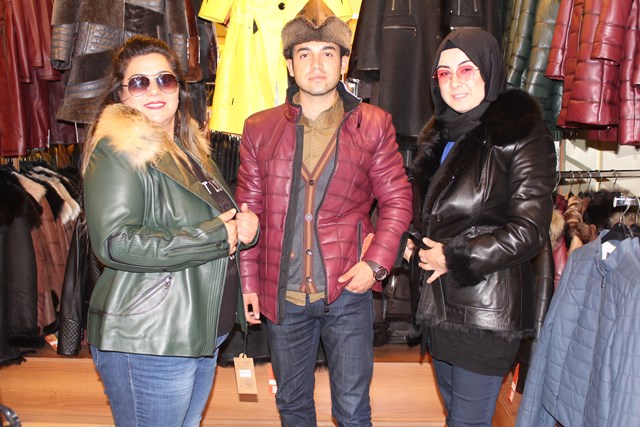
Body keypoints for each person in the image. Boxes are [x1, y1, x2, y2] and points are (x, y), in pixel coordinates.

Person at [235, 1, 413, 425]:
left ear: (343, 62)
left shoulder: (373, 124)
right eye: (305, 54)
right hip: (283, 293)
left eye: (327, 53)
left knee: (352, 410)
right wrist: (248, 283)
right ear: (290, 65)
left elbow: (397, 199)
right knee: (292, 406)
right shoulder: (259, 128)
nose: (316, 65)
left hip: (347, 291)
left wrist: (376, 263)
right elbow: (249, 213)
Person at [80, 35, 258, 427]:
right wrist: (215, 237)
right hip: (150, 337)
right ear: (121, 94)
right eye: (139, 82)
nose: (155, 90)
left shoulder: (188, 151)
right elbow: (115, 243)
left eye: (165, 79)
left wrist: (245, 227)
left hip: (197, 331)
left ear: (180, 88)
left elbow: (220, 222)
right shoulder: (118, 150)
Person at [404, 28, 556, 427]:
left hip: (486, 313)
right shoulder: (441, 135)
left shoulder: (521, 133)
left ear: (489, 69)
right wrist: (413, 241)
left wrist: (454, 257)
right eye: (444, 73)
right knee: (456, 417)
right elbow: (438, 214)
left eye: (466, 69)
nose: (455, 82)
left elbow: (529, 230)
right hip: (440, 308)